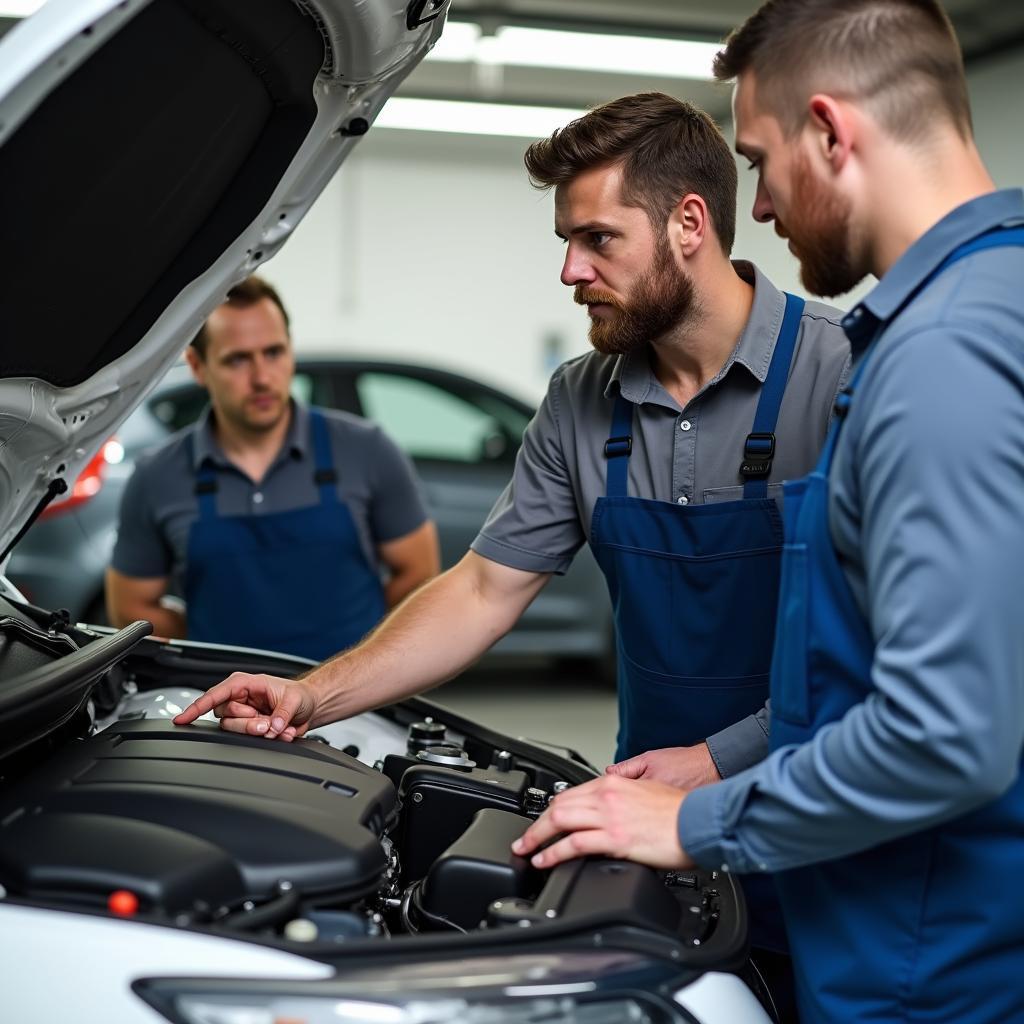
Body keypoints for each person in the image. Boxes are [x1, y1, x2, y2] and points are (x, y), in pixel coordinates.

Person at [173, 94, 848, 956]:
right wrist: (314, 694)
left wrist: (718, 761)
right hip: (645, 825)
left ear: (689, 224)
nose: (569, 271)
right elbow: (485, 588)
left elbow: (878, 645)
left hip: (822, 825)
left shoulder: (840, 374)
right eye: (565, 241)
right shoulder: (581, 398)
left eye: (597, 238)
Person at [512, 3, 1024, 1022]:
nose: (760, 201)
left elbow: (943, 735)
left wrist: (695, 820)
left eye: (758, 157)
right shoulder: (988, 302)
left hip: (925, 960)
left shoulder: (938, 356)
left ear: (831, 133)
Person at [107, 275, 440, 661]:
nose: (262, 378)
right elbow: (131, 607)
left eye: (274, 353)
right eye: (237, 359)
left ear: (291, 351)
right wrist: (206, 651)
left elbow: (419, 575)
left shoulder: (368, 450)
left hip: (351, 707)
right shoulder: (156, 477)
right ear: (198, 367)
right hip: (222, 707)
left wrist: (364, 657)